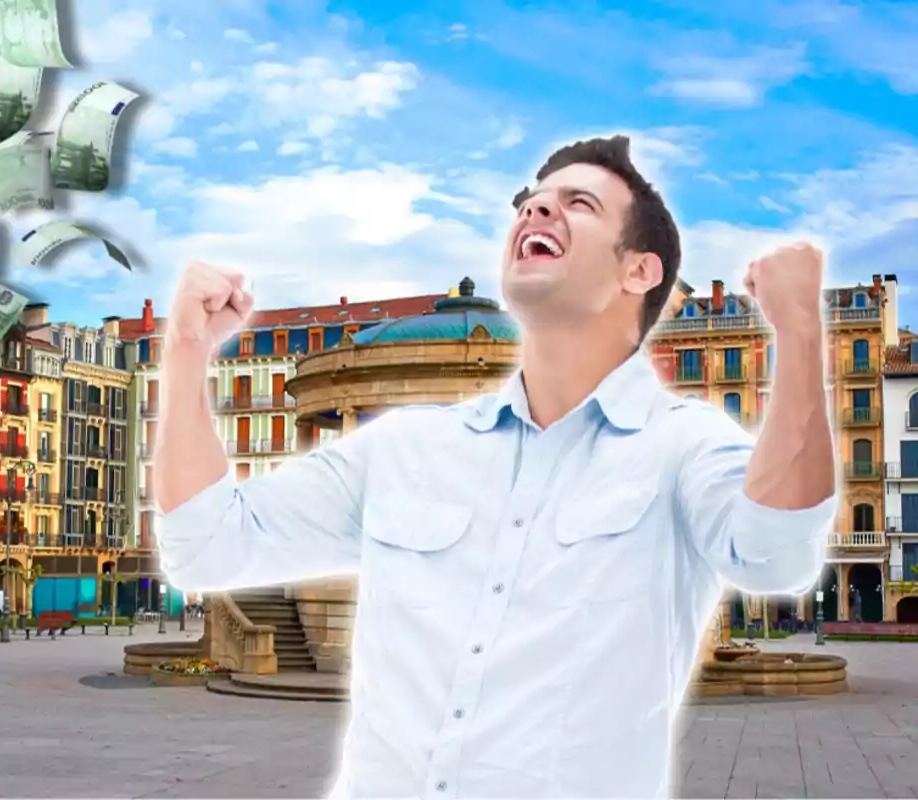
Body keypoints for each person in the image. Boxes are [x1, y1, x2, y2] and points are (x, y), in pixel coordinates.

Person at [154, 135, 836, 799]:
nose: (536, 211)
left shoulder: (680, 447)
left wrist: (802, 336)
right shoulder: (404, 447)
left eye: (579, 204)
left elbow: (774, 554)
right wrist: (186, 349)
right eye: (531, 202)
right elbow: (205, 546)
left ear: (640, 270)